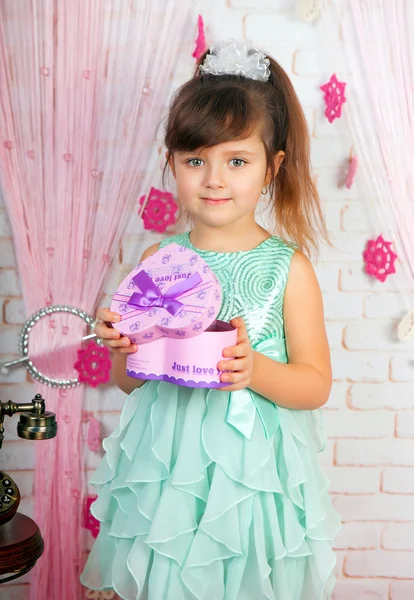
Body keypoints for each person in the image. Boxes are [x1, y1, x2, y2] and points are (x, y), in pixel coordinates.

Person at [81, 39, 341, 600]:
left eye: (237, 161)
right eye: (195, 160)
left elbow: (314, 384)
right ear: (171, 162)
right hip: (170, 474)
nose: (214, 179)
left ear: (272, 168)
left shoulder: (286, 268)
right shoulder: (159, 263)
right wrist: (125, 347)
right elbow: (133, 384)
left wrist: (256, 372)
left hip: (252, 480)